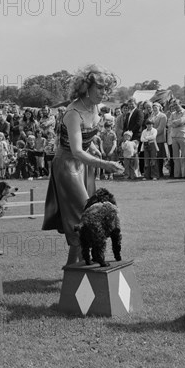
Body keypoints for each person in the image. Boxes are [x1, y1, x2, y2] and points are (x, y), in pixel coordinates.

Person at [42, 65, 123, 266]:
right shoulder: (73, 113)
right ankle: (81, 270)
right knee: (85, 216)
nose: (104, 93)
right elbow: (76, 151)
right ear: (87, 88)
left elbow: (87, 136)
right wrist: (105, 163)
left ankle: (75, 268)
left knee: (86, 217)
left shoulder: (94, 107)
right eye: (100, 89)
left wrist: (93, 145)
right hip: (67, 167)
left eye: (107, 89)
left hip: (84, 166)